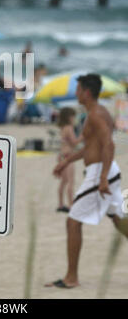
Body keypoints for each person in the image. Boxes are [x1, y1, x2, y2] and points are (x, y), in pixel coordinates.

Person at [46, 74, 127, 289]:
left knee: (72, 221)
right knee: (119, 220)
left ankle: (71, 278)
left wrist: (102, 179)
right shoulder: (94, 113)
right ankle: (71, 276)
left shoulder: (97, 115)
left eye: (78, 89)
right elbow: (89, 148)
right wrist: (65, 163)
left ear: (87, 93)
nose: (76, 93)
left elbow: (109, 146)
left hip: (101, 173)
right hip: (108, 172)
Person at [56, 107, 82, 213]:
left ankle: (61, 204)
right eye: (73, 116)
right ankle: (71, 205)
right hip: (68, 157)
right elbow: (74, 142)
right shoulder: (69, 128)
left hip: (62, 155)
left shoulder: (62, 128)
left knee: (64, 181)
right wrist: (83, 136)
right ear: (69, 117)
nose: (74, 119)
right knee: (71, 181)